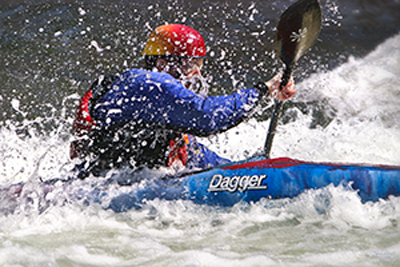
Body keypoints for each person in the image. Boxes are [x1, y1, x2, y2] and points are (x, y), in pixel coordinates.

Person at [70, 24, 296, 178]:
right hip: (98, 188)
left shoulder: (157, 107)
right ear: (162, 64)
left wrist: (250, 170)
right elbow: (207, 118)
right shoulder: (149, 83)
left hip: (117, 185)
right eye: (189, 65)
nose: (195, 74)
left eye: (199, 65)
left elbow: (198, 156)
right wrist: (263, 89)